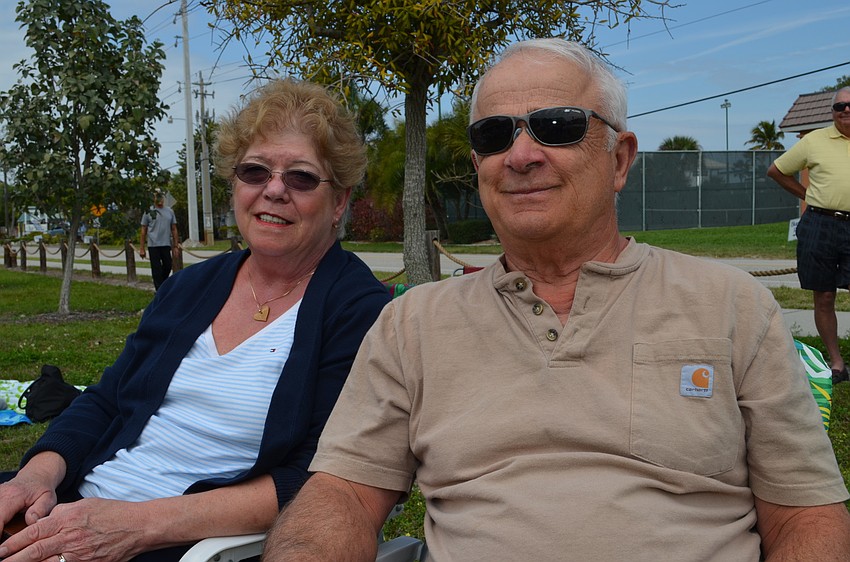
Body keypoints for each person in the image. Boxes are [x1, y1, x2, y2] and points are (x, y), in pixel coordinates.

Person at [263, 39, 850, 561]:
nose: (520, 155)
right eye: (494, 136)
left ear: (618, 159)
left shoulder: (732, 306)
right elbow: (342, 492)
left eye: (557, 125)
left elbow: (807, 514)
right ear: (479, 168)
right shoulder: (413, 323)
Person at [0, 78, 390, 562]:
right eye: (254, 171)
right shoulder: (189, 287)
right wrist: (35, 474)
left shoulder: (360, 312)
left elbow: (320, 480)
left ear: (340, 201)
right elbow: (105, 401)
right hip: (76, 506)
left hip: (175, 541)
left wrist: (136, 527)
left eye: (302, 177)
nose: (273, 190)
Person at [767, 86, 850, 386]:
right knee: (824, 295)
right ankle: (837, 362)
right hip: (820, 223)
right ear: (832, 112)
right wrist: (808, 195)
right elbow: (776, 170)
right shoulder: (814, 140)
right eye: (840, 106)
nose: (846, 110)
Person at [139, 188, 179, 290]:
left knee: (168, 265)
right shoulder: (148, 211)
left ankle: (162, 285)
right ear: (154, 197)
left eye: (161, 196)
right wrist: (142, 248)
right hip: (153, 245)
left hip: (165, 244)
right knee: (156, 269)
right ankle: (159, 290)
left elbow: (174, 229)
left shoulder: (169, 211)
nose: (160, 198)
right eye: (157, 196)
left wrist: (175, 246)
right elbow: (143, 230)